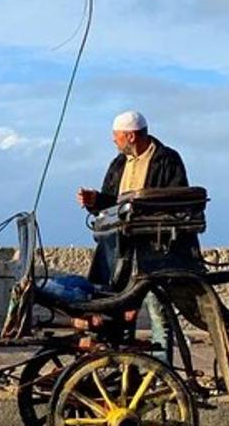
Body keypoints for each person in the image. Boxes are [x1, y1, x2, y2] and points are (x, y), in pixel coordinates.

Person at [76, 110, 191, 363]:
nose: (113, 141)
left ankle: (162, 370)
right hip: (121, 250)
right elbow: (111, 204)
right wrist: (95, 201)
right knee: (115, 306)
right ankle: (123, 365)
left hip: (154, 250)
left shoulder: (167, 160)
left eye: (116, 136)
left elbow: (178, 201)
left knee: (157, 310)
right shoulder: (119, 163)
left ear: (130, 136)